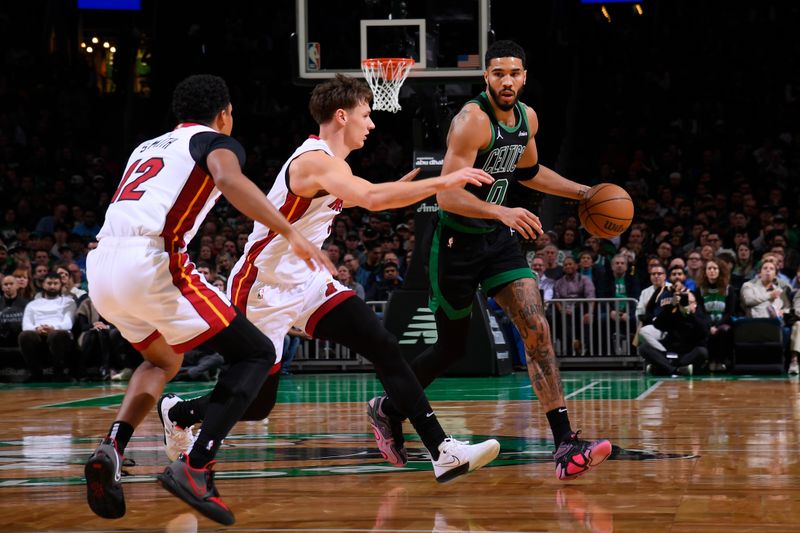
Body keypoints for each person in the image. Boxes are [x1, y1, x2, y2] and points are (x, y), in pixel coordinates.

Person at [157, 74, 500, 485]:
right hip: (264, 286)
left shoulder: (335, 164)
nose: (371, 124)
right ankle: (179, 413)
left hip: (309, 282)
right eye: (365, 115)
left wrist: (400, 188)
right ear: (342, 116)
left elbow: (368, 194)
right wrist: (442, 181)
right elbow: (371, 198)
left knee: (384, 345)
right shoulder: (313, 160)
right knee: (256, 403)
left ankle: (442, 451)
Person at [82, 74, 335, 526]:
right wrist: (290, 229)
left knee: (161, 362)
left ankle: (112, 447)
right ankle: (196, 468)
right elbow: (227, 178)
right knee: (257, 351)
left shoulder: (146, 147)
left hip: (100, 266)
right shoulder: (215, 141)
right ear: (224, 113)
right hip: (151, 260)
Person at [369, 40, 611, 481]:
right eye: (498, 73)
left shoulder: (527, 119)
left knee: (536, 328)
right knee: (450, 348)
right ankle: (388, 407)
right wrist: (502, 210)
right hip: (455, 245)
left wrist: (583, 193)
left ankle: (564, 443)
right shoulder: (470, 122)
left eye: (514, 73)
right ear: (486, 77)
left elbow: (530, 173)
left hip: (497, 242)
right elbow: (445, 192)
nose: (507, 80)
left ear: (524, 77)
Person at [638, 283, 709, 376]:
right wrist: (671, 306)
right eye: (684, 301)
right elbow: (658, 324)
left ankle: (663, 368)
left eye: (689, 302)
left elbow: (704, 333)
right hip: (669, 351)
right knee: (643, 348)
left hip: (687, 353)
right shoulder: (673, 313)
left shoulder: (700, 316)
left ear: (695, 304)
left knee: (702, 352)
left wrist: (689, 314)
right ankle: (676, 370)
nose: (686, 304)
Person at [18, 272, 76, 381]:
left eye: (55, 283)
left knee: (57, 334)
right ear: (43, 285)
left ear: (61, 285)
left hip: (59, 334)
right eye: (49, 283)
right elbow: (26, 325)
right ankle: (35, 373)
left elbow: (68, 323)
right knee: (24, 335)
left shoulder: (69, 302)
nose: (52, 286)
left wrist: (52, 328)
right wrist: (37, 329)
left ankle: (58, 372)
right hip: (37, 334)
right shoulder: (33, 304)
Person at [697, 259, 737, 372]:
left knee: (723, 331)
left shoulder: (729, 289)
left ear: (720, 271)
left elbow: (730, 312)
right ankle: (709, 361)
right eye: (709, 268)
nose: (712, 271)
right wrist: (709, 326)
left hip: (723, 322)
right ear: (705, 272)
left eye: (715, 268)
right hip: (706, 323)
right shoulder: (699, 290)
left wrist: (717, 326)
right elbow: (700, 312)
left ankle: (721, 361)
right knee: (703, 331)